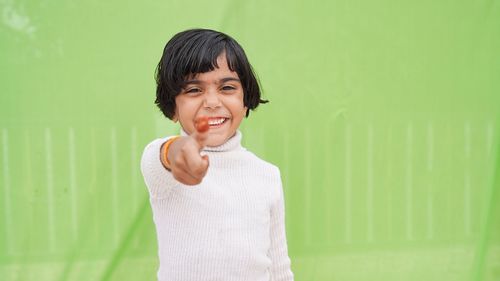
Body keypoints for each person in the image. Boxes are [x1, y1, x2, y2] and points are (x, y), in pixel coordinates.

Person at [140, 28, 294, 281]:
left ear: (245, 101)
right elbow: (164, 156)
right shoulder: (165, 166)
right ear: (172, 108)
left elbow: (279, 267)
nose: (212, 102)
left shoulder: (268, 175)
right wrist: (179, 151)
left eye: (227, 87)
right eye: (193, 90)